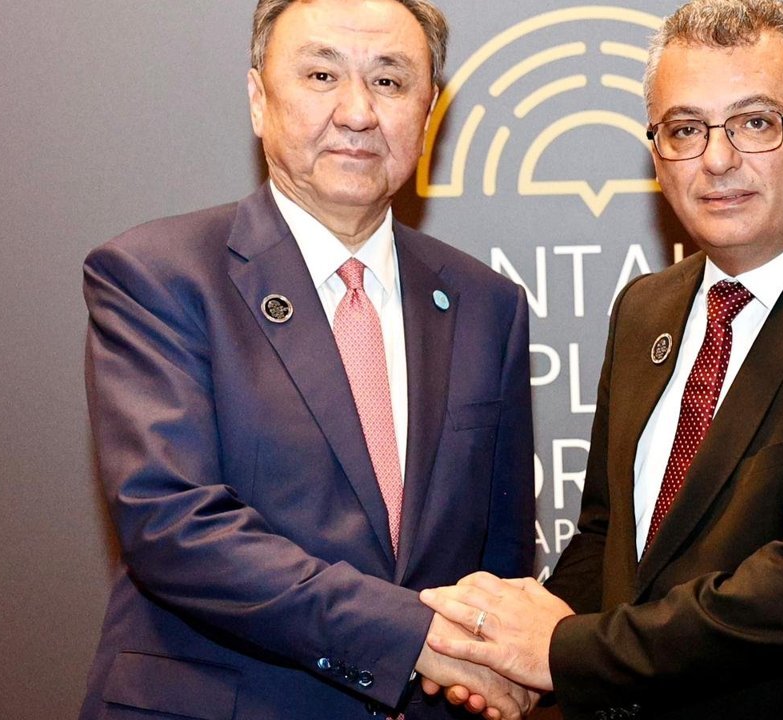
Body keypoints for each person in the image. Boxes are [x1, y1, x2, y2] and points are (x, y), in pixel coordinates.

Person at [418, 0, 783, 718]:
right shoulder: (646, 308)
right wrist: (511, 660)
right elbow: (609, 539)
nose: (718, 160)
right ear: (657, 152)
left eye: (756, 123)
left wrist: (560, 654)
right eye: (686, 129)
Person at [78, 1, 536, 719]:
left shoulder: (488, 305)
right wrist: (408, 637)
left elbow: (499, 562)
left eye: (389, 81)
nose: (357, 112)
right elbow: (172, 522)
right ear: (259, 98)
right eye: (322, 75)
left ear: (429, 113)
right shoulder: (158, 275)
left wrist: (495, 663)